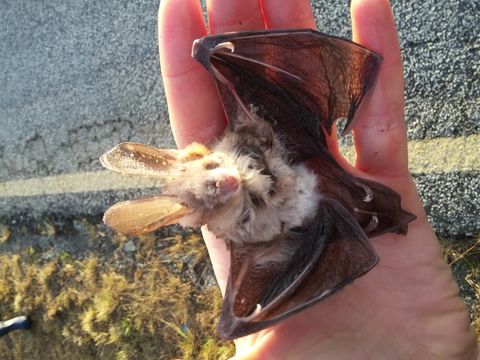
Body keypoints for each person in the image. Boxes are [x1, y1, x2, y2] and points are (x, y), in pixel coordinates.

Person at [158, 0, 478, 358]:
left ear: (204, 159)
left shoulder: (237, 136)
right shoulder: (249, 240)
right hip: (310, 209)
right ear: (213, 217)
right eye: (216, 199)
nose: (225, 186)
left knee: (212, 53)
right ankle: (372, 222)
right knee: (237, 316)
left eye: (212, 178)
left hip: (293, 148)